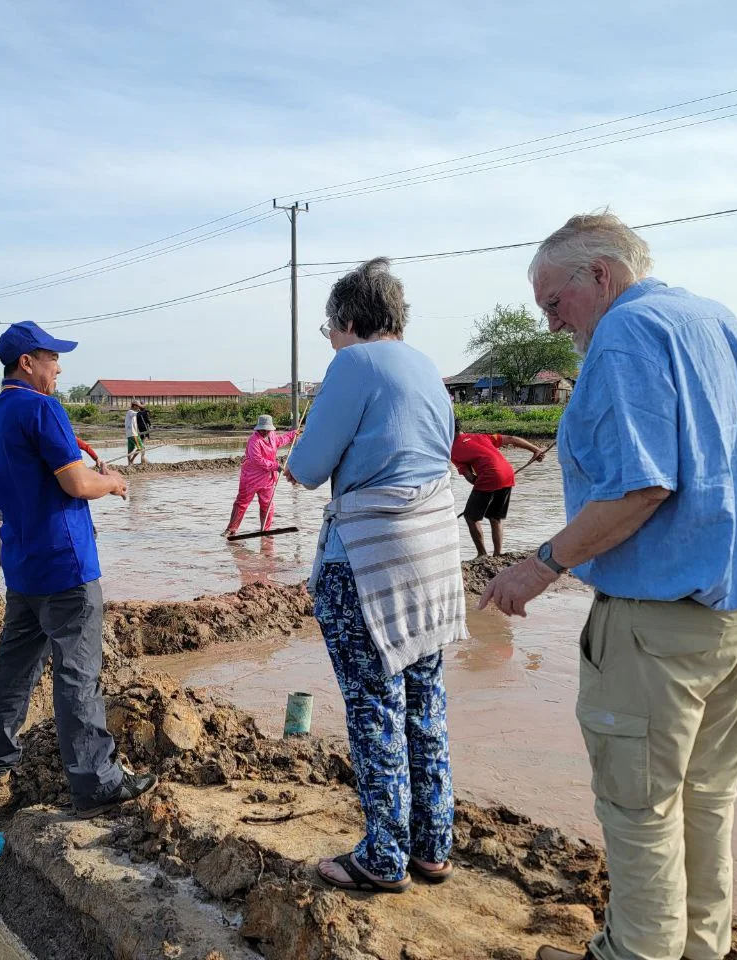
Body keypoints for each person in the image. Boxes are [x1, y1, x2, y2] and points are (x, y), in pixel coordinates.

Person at [480, 212, 737, 960]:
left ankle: (636, 952)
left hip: (663, 629)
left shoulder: (625, 334)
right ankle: (698, 949)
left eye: (554, 303)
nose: (553, 324)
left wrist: (539, 565)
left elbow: (640, 488)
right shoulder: (717, 319)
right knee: (707, 800)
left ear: (601, 275)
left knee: (640, 808)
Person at [284, 258, 467, 894]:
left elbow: (306, 469)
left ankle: (383, 858)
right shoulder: (428, 370)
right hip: (434, 558)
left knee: (373, 708)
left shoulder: (354, 364)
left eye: (330, 329)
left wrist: (292, 454)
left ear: (350, 321)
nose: (330, 341)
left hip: (368, 561)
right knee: (424, 699)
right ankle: (432, 845)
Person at [0, 321, 157, 816]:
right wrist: (112, 482)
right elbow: (75, 483)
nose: (59, 367)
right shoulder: (42, 407)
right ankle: (95, 781)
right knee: (78, 672)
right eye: (52, 358)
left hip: (24, 563)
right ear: (27, 363)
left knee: (14, 663)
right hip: (66, 565)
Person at [450, 421, 547, 557]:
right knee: (495, 517)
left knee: (470, 517)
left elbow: (470, 477)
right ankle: (497, 554)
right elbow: (512, 439)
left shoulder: (453, 450)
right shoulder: (481, 436)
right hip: (508, 473)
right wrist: (535, 450)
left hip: (490, 475)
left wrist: (478, 481)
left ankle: (482, 555)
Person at [221, 414, 297, 537]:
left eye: (267, 430)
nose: (265, 432)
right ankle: (231, 529)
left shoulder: (272, 436)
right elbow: (258, 460)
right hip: (251, 478)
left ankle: (265, 530)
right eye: (263, 429)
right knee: (241, 503)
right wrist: (276, 466)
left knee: (267, 505)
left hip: (267, 479)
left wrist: (293, 434)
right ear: (258, 429)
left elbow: (280, 441)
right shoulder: (254, 440)